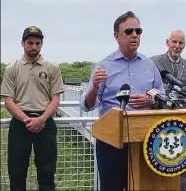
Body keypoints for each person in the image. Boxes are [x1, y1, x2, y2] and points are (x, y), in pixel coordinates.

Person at [80, 11, 165, 191]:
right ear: (117, 36)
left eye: (138, 31)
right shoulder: (103, 66)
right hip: (112, 141)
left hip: (145, 139)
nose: (134, 35)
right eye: (129, 32)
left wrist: (151, 99)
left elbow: (161, 97)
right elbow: (87, 106)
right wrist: (94, 87)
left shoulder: (149, 65)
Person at [1, 26, 65, 191]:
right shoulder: (12, 68)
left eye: (37, 43)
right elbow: (8, 100)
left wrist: (41, 119)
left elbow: (55, 99)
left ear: (41, 44)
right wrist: (27, 120)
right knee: (17, 173)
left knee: (47, 172)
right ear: (22, 43)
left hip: (45, 122)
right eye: (30, 43)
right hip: (20, 124)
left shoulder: (52, 68)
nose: (34, 47)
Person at [150, 29, 186, 190]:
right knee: (160, 164)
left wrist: (175, 88)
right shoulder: (154, 62)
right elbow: (151, 87)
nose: (177, 46)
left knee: (184, 164)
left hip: (184, 122)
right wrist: (181, 88)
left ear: (184, 45)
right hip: (159, 121)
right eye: (174, 42)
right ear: (167, 43)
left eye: (180, 43)